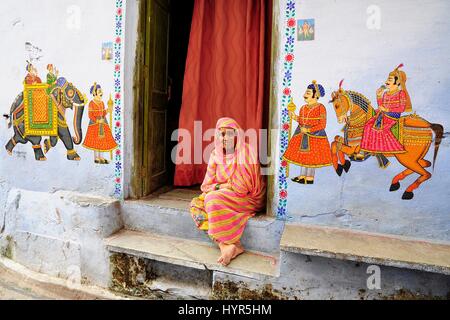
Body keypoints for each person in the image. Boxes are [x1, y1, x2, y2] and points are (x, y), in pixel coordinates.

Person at [190, 117, 266, 266]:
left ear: (237, 135)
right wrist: (222, 186)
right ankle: (227, 245)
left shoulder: (246, 152)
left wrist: (219, 188)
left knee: (211, 200)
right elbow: (206, 186)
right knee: (197, 205)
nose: (225, 138)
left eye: (229, 134)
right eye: (221, 134)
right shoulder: (215, 155)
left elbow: (242, 189)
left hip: (249, 199)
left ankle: (229, 246)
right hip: (227, 195)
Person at [283, 81, 333, 184]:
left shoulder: (321, 108)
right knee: (303, 156)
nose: (304, 95)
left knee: (311, 158)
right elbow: (301, 120)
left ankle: (309, 178)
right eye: (306, 92)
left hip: (315, 136)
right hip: (302, 133)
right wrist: (294, 116)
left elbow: (322, 125)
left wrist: (309, 130)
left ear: (316, 95)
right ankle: (302, 176)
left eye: (308, 93)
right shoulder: (303, 108)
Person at [360, 64, 411, 154]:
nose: (386, 82)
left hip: (393, 116)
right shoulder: (385, 93)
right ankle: (368, 149)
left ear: (397, 82)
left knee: (379, 129)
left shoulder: (400, 93)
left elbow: (401, 108)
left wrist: (387, 110)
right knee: (367, 125)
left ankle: (381, 150)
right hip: (383, 114)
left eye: (389, 80)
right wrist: (378, 96)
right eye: (387, 79)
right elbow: (381, 106)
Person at [82, 83, 118, 163]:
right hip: (94, 124)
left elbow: (103, 112)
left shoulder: (101, 103)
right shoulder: (91, 103)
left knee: (102, 141)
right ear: (94, 93)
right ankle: (96, 158)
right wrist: (97, 120)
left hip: (103, 123)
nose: (101, 93)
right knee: (95, 141)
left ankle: (101, 157)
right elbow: (90, 115)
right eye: (99, 91)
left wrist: (108, 110)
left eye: (101, 91)